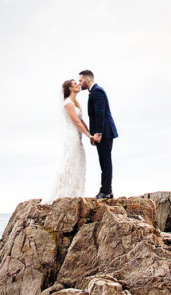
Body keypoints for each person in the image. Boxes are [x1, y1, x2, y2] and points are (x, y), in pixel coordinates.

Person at [46, 78, 92, 203]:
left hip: (78, 138)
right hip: (72, 138)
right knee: (70, 164)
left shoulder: (74, 102)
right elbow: (76, 122)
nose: (78, 84)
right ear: (70, 88)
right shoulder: (67, 103)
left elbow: (81, 121)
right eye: (75, 84)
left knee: (78, 163)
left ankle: (75, 192)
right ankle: (65, 193)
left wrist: (90, 134)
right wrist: (88, 135)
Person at [78, 70, 118, 199]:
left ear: (87, 80)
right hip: (103, 132)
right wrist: (92, 134)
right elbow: (94, 116)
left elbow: (100, 113)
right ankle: (107, 190)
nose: (79, 83)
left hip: (105, 132)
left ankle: (105, 191)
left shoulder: (97, 91)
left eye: (80, 80)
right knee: (104, 161)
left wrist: (98, 133)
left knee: (105, 161)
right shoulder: (93, 92)